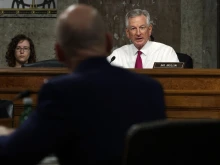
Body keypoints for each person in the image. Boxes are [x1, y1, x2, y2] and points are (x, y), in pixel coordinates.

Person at [0, 4, 166, 165]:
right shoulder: (151, 89)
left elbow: (17, 152)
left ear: (59, 52)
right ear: (108, 43)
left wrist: (5, 134)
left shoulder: (59, 92)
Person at [107, 9, 179, 68]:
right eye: (133, 28)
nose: (138, 33)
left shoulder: (166, 53)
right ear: (127, 32)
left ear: (149, 30)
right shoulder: (117, 56)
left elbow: (176, 81)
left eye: (142, 27)